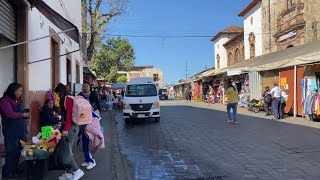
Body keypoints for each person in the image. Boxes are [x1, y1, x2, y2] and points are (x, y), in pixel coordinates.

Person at [0, 83, 30, 178]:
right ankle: (8, 172)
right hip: (10, 130)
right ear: (13, 90)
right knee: (11, 151)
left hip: (20, 130)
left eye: (21, 91)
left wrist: (26, 119)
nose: (21, 93)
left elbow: (20, 112)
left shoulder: (18, 100)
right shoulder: (4, 100)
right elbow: (10, 114)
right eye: (19, 91)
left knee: (19, 151)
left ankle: (14, 168)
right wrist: (23, 115)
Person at [57, 84, 84, 180]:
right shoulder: (66, 98)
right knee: (67, 150)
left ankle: (77, 171)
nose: (57, 95)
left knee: (67, 152)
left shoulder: (67, 99)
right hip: (71, 127)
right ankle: (68, 173)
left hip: (71, 128)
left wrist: (65, 129)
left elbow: (69, 115)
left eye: (58, 93)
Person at [78, 83, 98, 170]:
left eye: (87, 86)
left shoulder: (93, 94)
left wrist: (92, 107)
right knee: (84, 140)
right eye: (84, 86)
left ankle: (92, 160)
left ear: (90, 87)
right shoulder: (79, 96)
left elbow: (97, 104)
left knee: (90, 139)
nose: (85, 87)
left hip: (92, 119)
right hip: (83, 119)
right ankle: (87, 159)